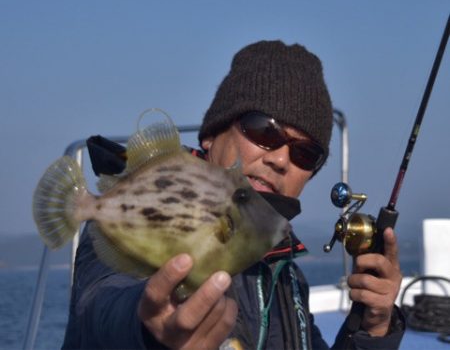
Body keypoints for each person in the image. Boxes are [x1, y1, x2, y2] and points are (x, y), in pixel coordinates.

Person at [62, 40, 404, 349]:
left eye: (305, 153)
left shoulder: (284, 269)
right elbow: (100, 306)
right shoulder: (148, 211)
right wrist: (150, 328)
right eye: (263, 130)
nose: (281, 158)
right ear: (211, 135)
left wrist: (372, 327)